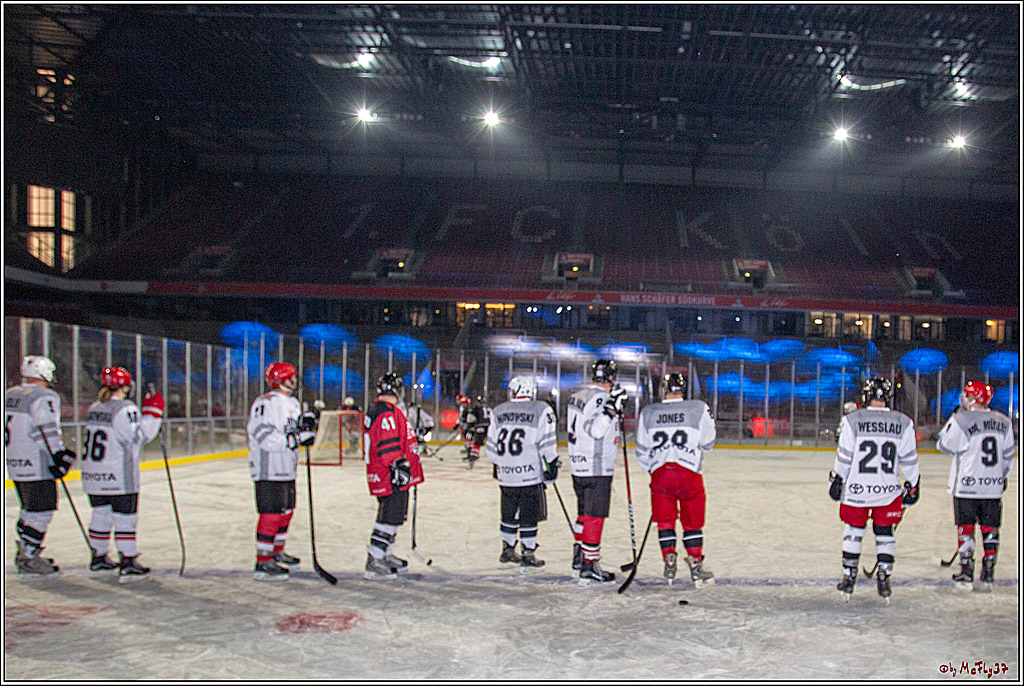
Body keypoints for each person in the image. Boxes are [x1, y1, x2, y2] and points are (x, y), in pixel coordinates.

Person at [828, 376, 919, 602]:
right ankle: (884, 579)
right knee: (885, 534)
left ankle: (849, 578)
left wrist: (837, 478)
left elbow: (845, 456)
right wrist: (912, 483)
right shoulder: (904, 422)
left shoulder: (853, 420)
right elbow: (909, 459)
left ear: (866, 396)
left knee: (853, 532)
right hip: (888, 492)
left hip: (857, 489)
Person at [81, 367, 164, 582]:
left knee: (100, 515)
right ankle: (127, 560)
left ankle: (98, 557)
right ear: (126, 386)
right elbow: (140, 435)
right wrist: (153, 413)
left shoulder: (94, 407)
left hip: (92, 474)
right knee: (125, 519)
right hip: (117, 474)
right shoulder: (125, 408)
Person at [635, 373, 717, 587]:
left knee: (665, 520)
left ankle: (669, 559)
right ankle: (696, 564)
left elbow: (642, 452)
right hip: (689, 472)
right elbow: (708, 442)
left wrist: (650, 468)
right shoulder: (698, 408)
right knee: (692, 523)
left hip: (661, 473)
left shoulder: (649, 412)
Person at [936, 381, 1016, 591]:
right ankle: (989, 570)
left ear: (971, 398)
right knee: (991, 528)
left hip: (967, 486)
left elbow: (944, 445)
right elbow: (1008, 456)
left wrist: (952, 422)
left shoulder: (962, 419)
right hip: (993, 486)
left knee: (966, 528)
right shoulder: (1004, 421)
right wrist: (1001, 477)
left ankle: (967, 570)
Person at [5, 355, 76, 576]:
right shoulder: (44, 396)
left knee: (29, 509)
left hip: (15, 462)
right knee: (42, 511)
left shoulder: (9, 394)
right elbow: (46, 429)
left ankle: (25, 552)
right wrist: (58, 455)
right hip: (36, 462)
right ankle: (29, 556)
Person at [246, 362, 316, 581]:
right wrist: (295, 439)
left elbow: (292, 432)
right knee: (271, 513)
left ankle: (277, 551)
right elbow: (263, 435)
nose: (295, 380)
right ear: (283, 379)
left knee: (286, 511)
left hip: (287, 468)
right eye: (292, 377)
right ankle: (263, 562)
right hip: (269, 468)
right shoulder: (265, 403)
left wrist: (305, 427)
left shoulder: (293, 403)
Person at [486, 375, 559, 572]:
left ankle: (507, 549)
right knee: (529, 512)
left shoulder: (499, 410)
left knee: (508, 511)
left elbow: (491, 447)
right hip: (529, 473)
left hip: (506, 474)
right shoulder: (541, 409)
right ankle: (528, 552)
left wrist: (499, 464)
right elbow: (547, 442)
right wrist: (551, 464)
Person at [567, 359, 627, 586]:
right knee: (595, 516)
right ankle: (589, 565)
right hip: (596, 466)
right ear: (611, 378)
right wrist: (612, 408)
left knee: (583, 514)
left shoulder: (578, 395)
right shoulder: (601, 398)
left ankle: (580, 557)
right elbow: (596, 429)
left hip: (577, 464)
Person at [363, 373, 424, 579]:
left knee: (395, 514)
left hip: (388, 471)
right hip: (389, 472)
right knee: (389, 514)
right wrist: (398, 464)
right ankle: (375, 558)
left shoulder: (386, 410)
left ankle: (385, 553)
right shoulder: (386, 411)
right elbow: (387, 443)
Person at [457, 394, 490, 469]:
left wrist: (469, 426)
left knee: (475, 444)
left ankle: (472, 458)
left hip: (479, 427)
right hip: (489, 428)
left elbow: (470, 419)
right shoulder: (489, 409)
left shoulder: (475, 409)